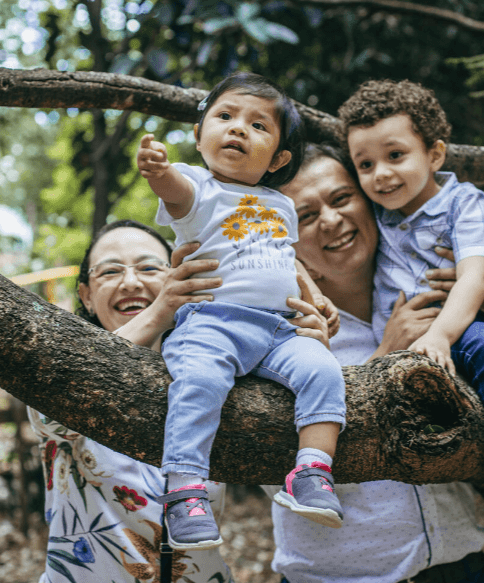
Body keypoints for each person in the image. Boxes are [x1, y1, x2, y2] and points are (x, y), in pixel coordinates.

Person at [270, 143, 484, 583]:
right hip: (335, 574)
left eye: (340, 199)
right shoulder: (279, 327)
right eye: (307, 215)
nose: (332, 220)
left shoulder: (439, 290)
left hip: (458, 565)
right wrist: (383, 361)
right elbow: (269, 449)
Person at [135, 72, 347, 552]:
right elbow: (173, 191)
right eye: (225, 117)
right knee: (200, 385)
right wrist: (157, 170)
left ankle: (312, 470)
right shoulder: (198, 186)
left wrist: (314, 295)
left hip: (278, 330)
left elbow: (286, 256)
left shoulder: (282, 205)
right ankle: (185, 490)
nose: (237, 129)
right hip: (212, 323)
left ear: (278, 159)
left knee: (324, 370)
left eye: (257, 126)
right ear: (199, 133)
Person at [28, 219, 236, 583]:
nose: (131, 282)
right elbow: (47, 413)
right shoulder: (65, 373)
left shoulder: (216, 375)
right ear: (86, 295)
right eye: (110, 271)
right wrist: (158, 312)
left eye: (149, 267)